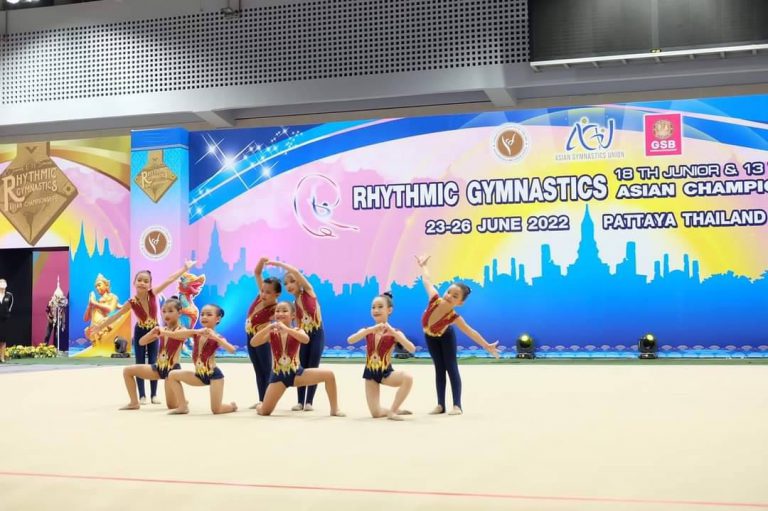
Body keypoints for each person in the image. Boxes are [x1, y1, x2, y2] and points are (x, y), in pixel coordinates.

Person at [88, 261, 195, 404]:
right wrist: (100, 327)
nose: (142, 283)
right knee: (139, 363)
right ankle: (142, 396)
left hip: (154, 331)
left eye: (146, 281)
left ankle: (154, 395)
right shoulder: (131, 302)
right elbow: (116, 315)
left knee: (153, 361)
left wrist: (185, 268)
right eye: (139, 280)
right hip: (140, 332)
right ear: (134, 283)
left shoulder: (153, 293)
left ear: (150, 284)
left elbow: (169, 280)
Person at [415, 255, 500, 415]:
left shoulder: (454, 317)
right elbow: (427, 280)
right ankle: (440, 405)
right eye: (449, 292)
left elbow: (470, 331)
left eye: (455, 296)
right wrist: (423, 266)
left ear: (460, 303)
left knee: (451, 367)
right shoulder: (434, 299)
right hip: (430, 337)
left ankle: (457, 405)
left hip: (446, 337)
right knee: (439, 369)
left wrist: (486, 345)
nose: (449, 296)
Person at [249, 301, 344, 417]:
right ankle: (260, 405)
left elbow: (305, 339)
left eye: (285, 311)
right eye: (277, 311)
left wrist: (287, 329)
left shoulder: (298, 330)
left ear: (293, 315)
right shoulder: (272, 334)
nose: (280, 313)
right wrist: (268, 327)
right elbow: (253, 343)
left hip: (297, 374)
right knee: (265, 411)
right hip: (278, 377)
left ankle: (334, 409)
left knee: (329, 375)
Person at [266, 260, 325, 411]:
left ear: (299, 281)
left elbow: (296, 272)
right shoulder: (293, 303)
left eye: (292, 281)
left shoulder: (309, 291)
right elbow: (296, 324)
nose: (289, 285)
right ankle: (300, 401)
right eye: (286, 283)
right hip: (303, 335)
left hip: (316, 335)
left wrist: (279, 264)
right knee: (302, 366)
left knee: (313, 366)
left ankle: (309, 401)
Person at [347, 292, 415, 420]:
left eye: (380, 307)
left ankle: (393, 411)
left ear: (389, 310)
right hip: (370, 374)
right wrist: (369, 330)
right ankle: (394, 410)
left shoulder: (395, 332)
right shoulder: (367, 330)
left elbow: (411, 348)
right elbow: (350, 340)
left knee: (408, 378)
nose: (376, 310)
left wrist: (394, 333)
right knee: (376, 413)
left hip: (386, 373)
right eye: (373, 307)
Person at [164, 304, 237, 415]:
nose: (204, 317)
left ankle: (232, 406)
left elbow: (232, 350)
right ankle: (183, 406)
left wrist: (215, 337)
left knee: (216, 410)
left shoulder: (217, 337)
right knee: (172, 375)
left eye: (209, 314)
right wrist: (195, 332)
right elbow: (175, 334)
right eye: (202, 314)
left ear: (217, 319)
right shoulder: (196, 334)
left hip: (214, 376)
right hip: (199, 375)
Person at [118, 298, 186, 410]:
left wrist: (162, 332)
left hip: (172, 371)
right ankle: (134, 402)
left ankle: (181, 399)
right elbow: (141, 342)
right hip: (158, 368)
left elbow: (177, 335)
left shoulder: (182, 330)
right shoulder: (161, 330)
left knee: (171, 405)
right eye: (164, 311)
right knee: (128, 371)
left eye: (170, 311)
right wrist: (151, 333)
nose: (166, 314)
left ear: (179, 312)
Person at [245, 257, 280, 408]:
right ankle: (262, 400)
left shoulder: (276, 308)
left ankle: (268, 401)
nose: (264, 294)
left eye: (268, 292)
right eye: (262, 291)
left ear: (276, 295)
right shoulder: (261, 297)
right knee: (258, 369)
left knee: (266, 369)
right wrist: (261, 261)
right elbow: (257, 273)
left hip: (262, 340)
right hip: (250, 336)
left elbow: (284, 319)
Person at [0, 279, 13, 363]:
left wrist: (7, 313)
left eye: (3, 283)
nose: (2, 284)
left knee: (3, 340)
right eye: (0, 283)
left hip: (4, 320)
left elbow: (10, 305)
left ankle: (2, 357)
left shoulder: (9, 295)